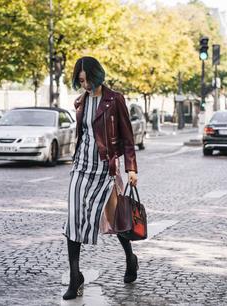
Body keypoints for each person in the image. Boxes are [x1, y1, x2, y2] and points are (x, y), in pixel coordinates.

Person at [62, 56, 139, 300]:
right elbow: (83, 133)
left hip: (105, 170)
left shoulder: (114, 100)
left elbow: (127, 137)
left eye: (85, 79)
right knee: (73, 218)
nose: (83, 84)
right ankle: (75, 277)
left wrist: (131, 168)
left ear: (96, 75)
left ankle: (130, 259)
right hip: (81, 167)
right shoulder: (82, 101)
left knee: (117, 221)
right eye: (80, 80)